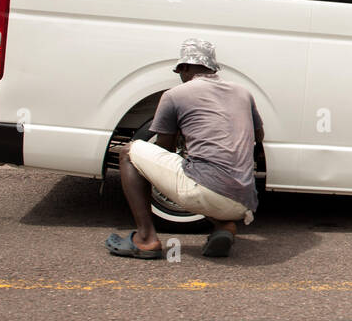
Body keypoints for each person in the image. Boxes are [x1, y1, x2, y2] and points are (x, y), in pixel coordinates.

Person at [106, 39, 263, 259]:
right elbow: (259, 136)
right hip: (244, 202)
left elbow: (164, 150)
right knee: (207, 174)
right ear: (212, 67)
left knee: (129, 153)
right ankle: (224, 226)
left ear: (184, 67)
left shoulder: (175, 95)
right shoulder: (242, 93)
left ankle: (145, 239)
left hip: (205, 191)